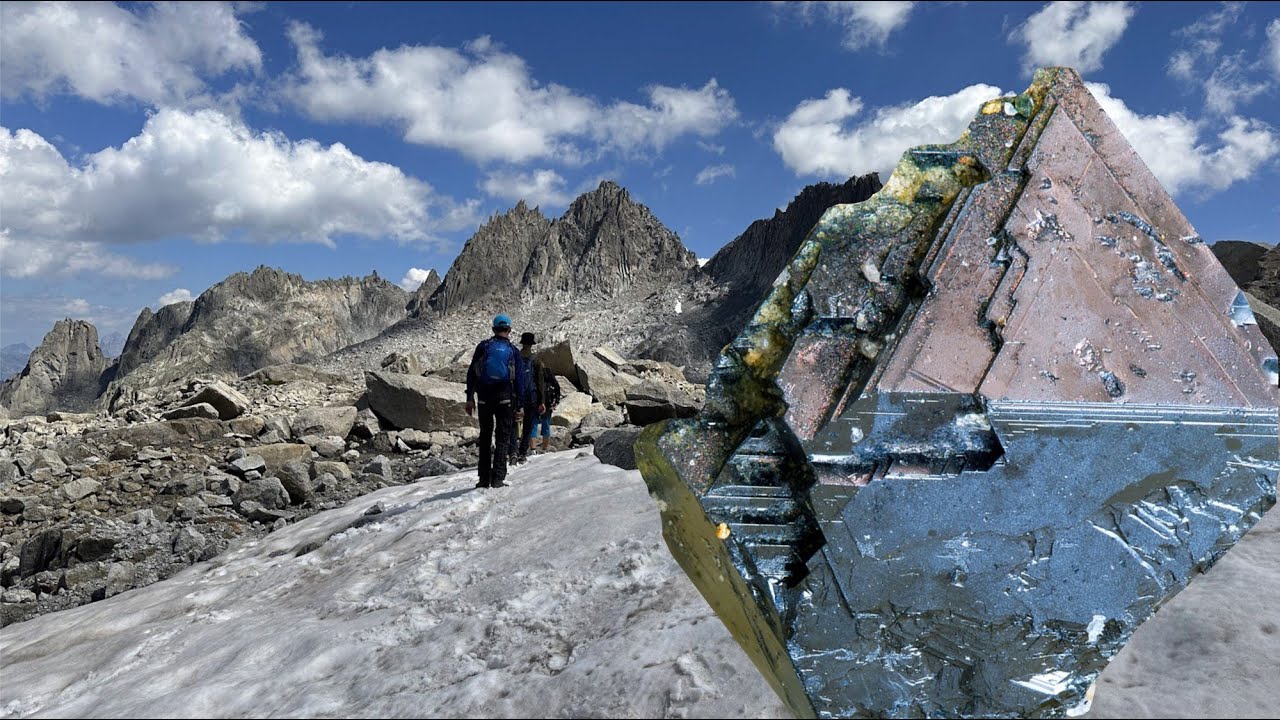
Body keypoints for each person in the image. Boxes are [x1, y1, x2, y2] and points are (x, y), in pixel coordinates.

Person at [465, 314, 528, 489]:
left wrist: (469, 398)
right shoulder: (513, 351)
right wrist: (520, 405)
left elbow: (472, 373)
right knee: (503, 436)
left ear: (493, 329)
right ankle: (498, 478)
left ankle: (483, 479)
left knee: (485, 436)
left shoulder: (484, 346)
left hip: (484, 397)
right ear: (509, 330)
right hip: (505, 397)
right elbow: (520, 380)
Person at [515, 332, 547, 463]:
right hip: (531, 396)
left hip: (516, 396)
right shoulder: (536, 359)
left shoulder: (515, 357)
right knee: (528, 426)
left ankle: (512, 451)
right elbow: (540, 382)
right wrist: (542, 401)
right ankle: (522, 452)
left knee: (514, 423)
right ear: (532, 344)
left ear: (522, 343)